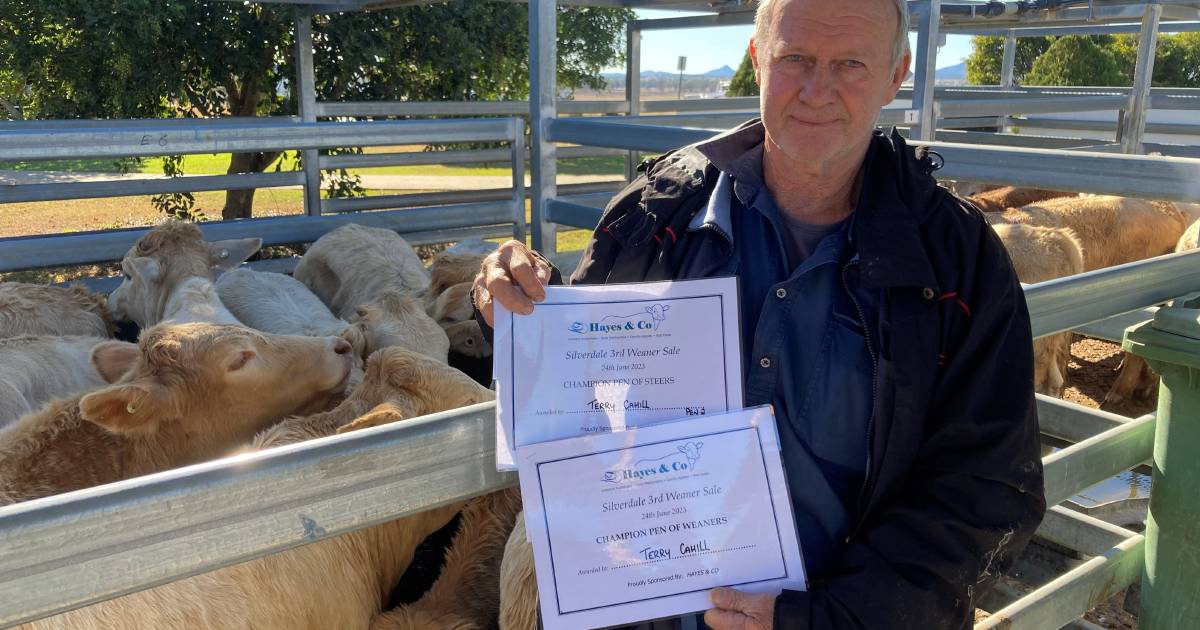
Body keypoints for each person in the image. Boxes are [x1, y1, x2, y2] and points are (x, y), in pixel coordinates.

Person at [472, 0, 1046, 627]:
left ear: (896, 73)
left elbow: (987, 491)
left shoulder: (955, 263)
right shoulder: (656, 214)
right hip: (649, 611)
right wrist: (517, 302)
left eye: (850, 64)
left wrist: (821, 620)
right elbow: (580, 368)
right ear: (757, 59)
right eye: (794, 57)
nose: (816, 89)